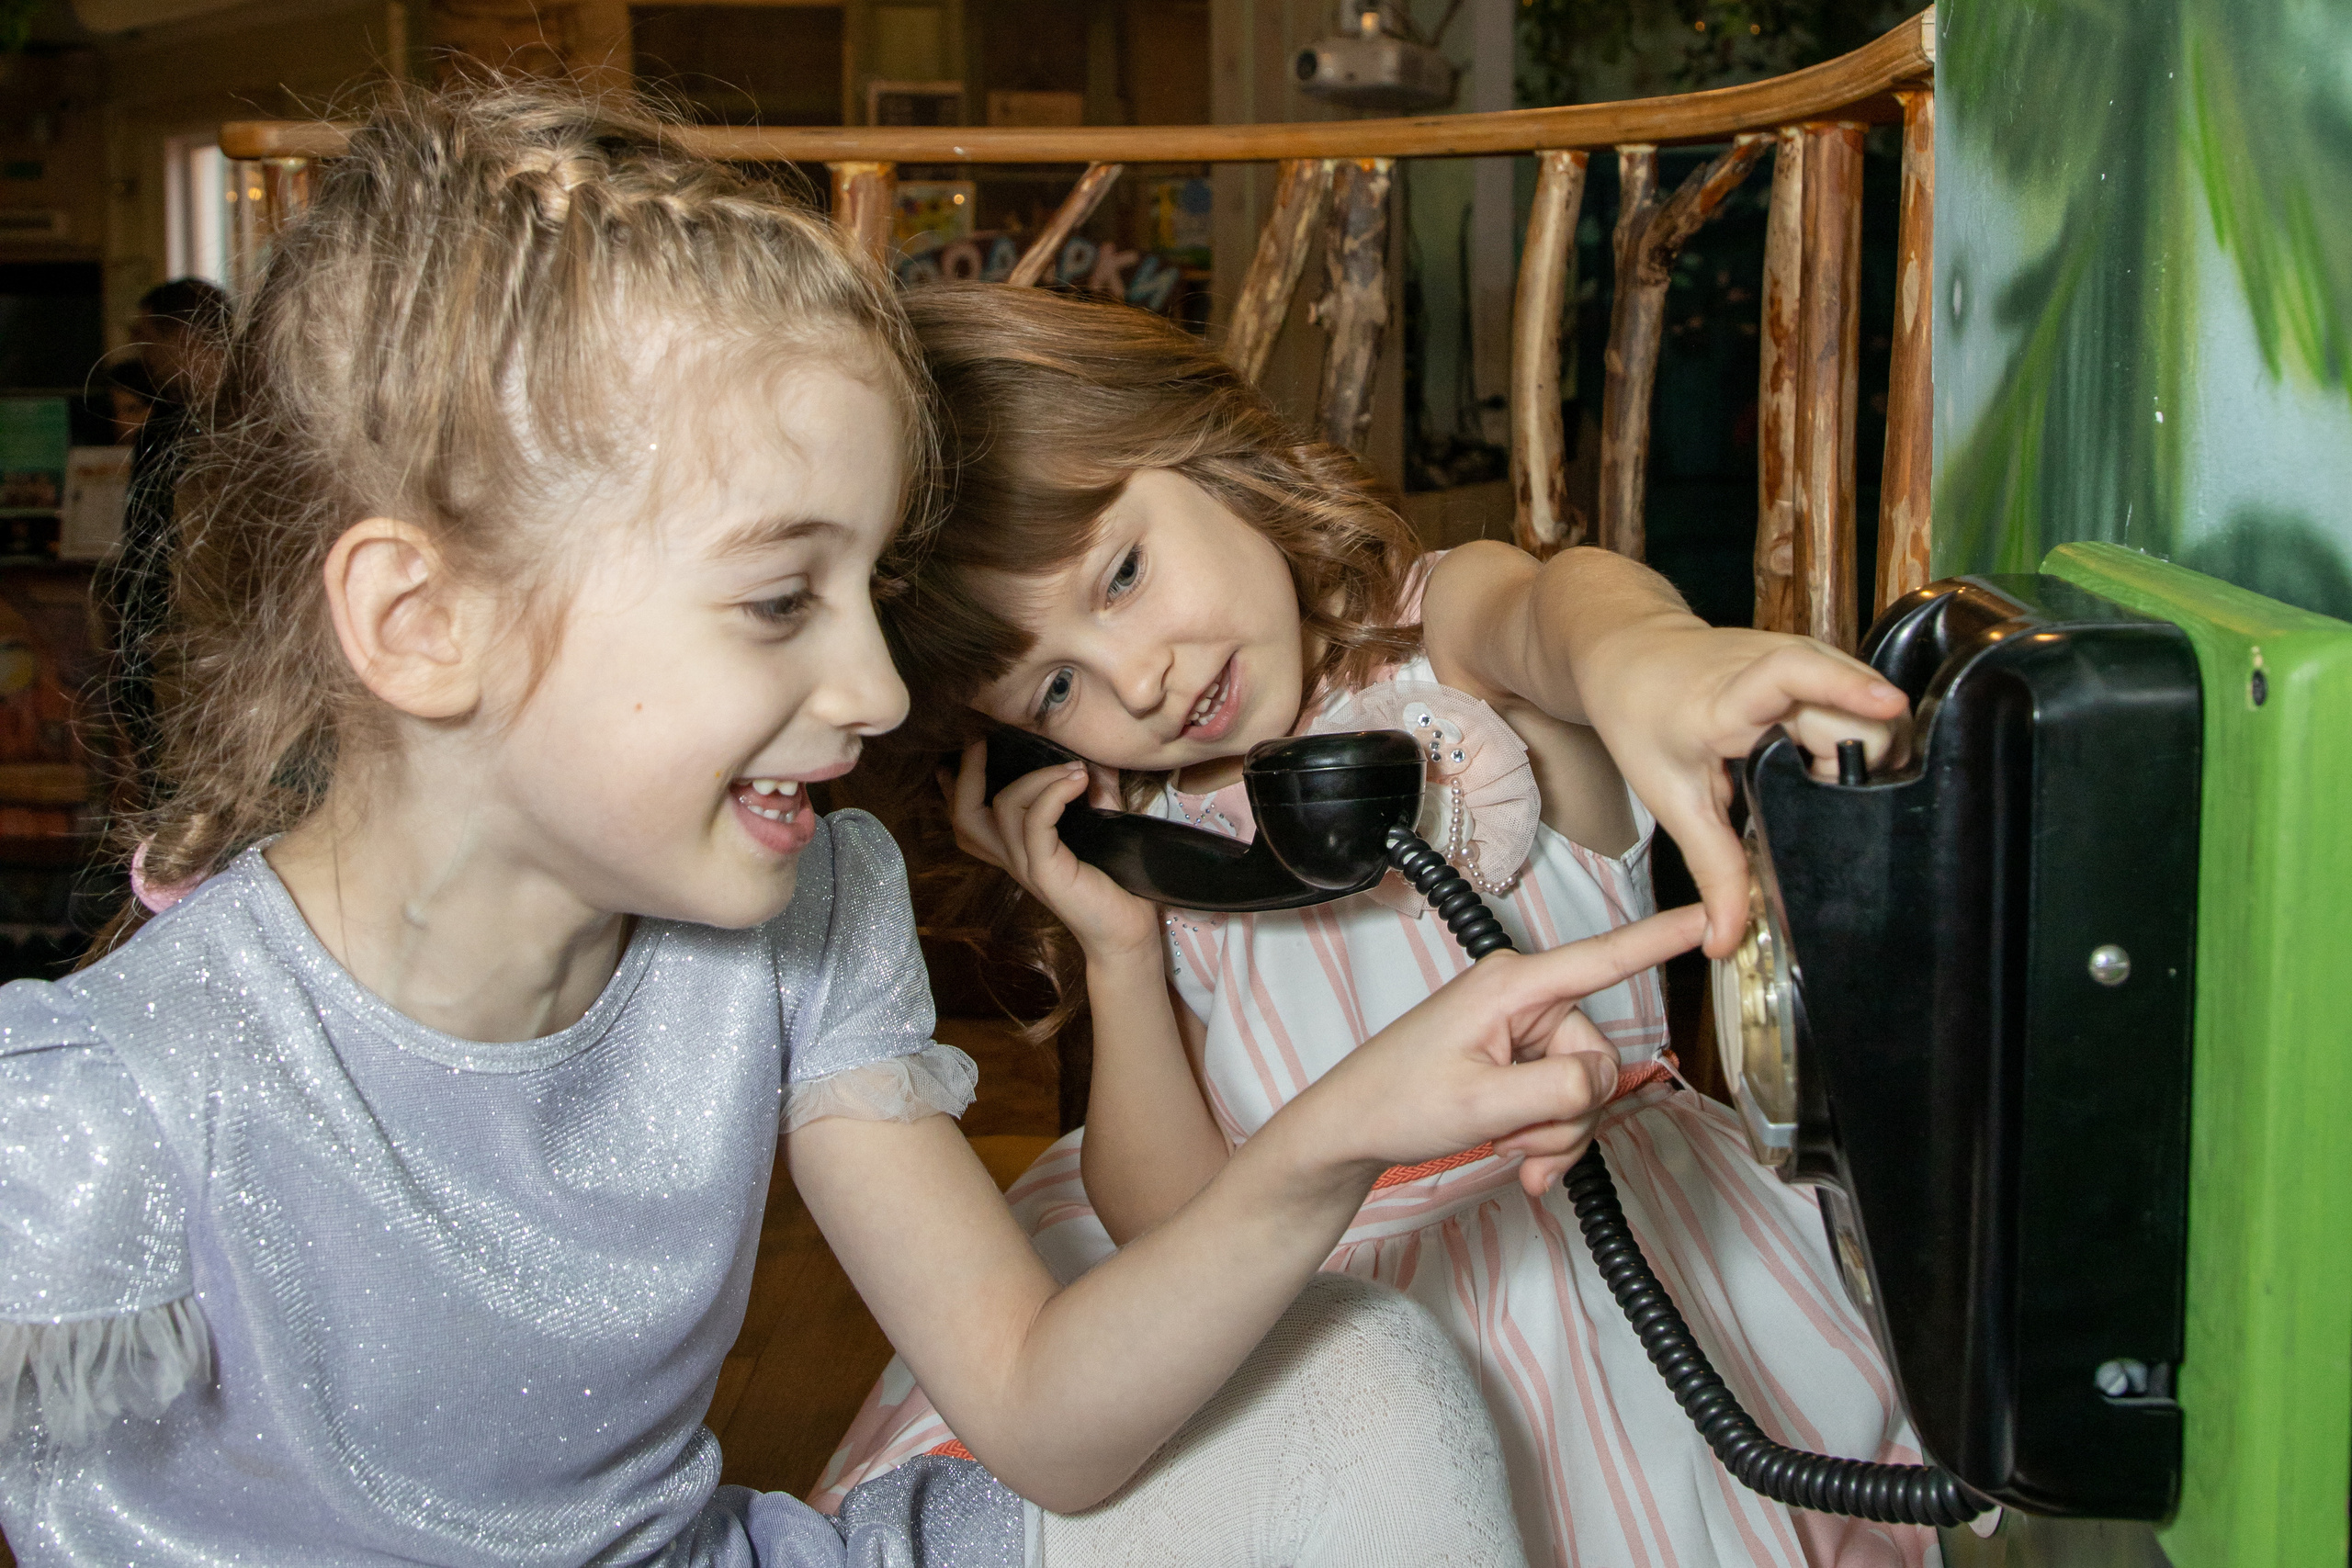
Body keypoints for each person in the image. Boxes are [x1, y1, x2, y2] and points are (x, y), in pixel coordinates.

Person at [0, 86, 1708, 1568]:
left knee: (1361, 1373)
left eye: (868, 593)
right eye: (776, 599)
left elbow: (1051, 1411)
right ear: (423, 621)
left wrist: (1338, 1130)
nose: (886, 692)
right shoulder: (108, 1100)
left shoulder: (809, 922)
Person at [818, 284, 1935, 1567]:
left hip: (1584, 1263)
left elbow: (1558, 606)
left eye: (1122, 574)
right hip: (1311, 1302)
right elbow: (1171, 1225)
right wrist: (1118, 945)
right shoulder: (1168, 846)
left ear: (1205, 451)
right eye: (1056, 686)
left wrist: (1653, 659)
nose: (1144, 679)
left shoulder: (1443, 644)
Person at [103, 276, 229, 798]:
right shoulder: (188, 418)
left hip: (192, 634)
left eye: (147, 336)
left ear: (181, 337)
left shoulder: (202, 424)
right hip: (183, 635)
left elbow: (154, 541)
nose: (143, 354)